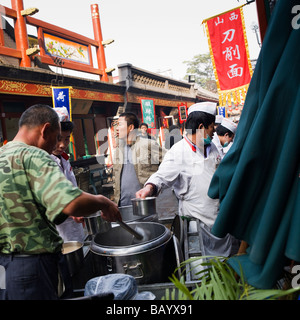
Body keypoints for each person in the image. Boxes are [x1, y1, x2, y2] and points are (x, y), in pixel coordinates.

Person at [0, 104, 121, 300]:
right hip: (32, 267)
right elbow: (70, 203)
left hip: (4, 268)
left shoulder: (2, 155)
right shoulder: (34, 155)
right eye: (57, 138)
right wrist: (103, 202)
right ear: (45, 130)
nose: (58, 145)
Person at [136, 102, 238, 257]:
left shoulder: (212, 147)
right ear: (202, 127)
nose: (214, 133)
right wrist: (149, 187)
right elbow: (161, 176)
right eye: (212, 128)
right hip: (198, 226)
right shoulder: (178, 151)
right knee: (203, 269)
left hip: (220, 221)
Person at [113, 112, 165, 206]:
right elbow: (115, 177)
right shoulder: (118, 150)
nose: (117, 128)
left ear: (131, 127)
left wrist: (156, 186)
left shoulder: (148, 145)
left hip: (146, 203)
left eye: (120, 124)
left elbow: (169, 163)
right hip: (122, 205)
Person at [50, 107, 85, 243]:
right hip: (59, 230)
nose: (62, 145)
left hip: (74, 227)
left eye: (67, 139)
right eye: (58, 139)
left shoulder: (64, 159)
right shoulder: (44, 162)